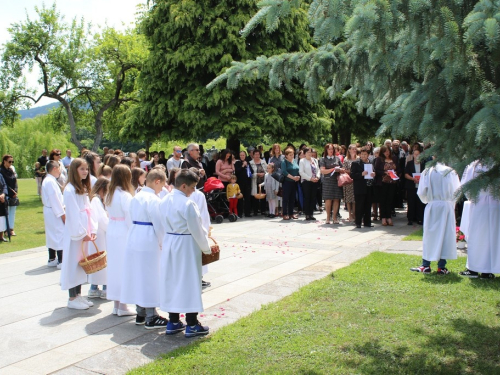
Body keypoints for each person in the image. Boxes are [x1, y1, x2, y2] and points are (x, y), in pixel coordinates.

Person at [159, 169, 212, 337]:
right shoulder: (188, 204)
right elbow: (196, 228)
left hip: (170, 241)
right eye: (192, 187)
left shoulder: (164, 200)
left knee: (172, 280)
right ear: (183, 185)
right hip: (186, 244)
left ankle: (173, 320)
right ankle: (192, 323)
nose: (193, 191)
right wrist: (206, 247)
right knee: (189, 281)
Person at [120, 168, 169, 328]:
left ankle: (140, 312)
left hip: (134, 236)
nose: (162, 189)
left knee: (139, 275)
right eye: (162, 185)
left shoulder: (136, 196)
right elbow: (159, 223)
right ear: (157, 181)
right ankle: (151, 316)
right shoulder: (153, 199)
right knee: (150, 276)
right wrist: (163, 241)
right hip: (148, 238)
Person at [410, 163, 460, 274]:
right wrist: (451, 203)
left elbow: (422, 192)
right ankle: (441, 266)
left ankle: (426, 264)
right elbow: (457, 191)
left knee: (430, 234)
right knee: (445, 235)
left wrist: (429, 200)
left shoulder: (428, 171)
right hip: (446, 205)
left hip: (433, 205)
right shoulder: (451, 171)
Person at [60, 158, 97, 310]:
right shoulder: (69, 190)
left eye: (87, 169)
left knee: (82, 263)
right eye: (82, 169)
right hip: (76, 232)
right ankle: (72, 296)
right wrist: (82, 232)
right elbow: (73, 215)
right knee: (73, 263)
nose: (85, 172)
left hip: (84, 229)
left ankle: (78, 294)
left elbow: (89, 209)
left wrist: (92, 229)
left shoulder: (81, 188)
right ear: (74, 170)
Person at [459, 160, 500, 278]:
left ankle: (474, 268)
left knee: (477, 237)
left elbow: (466, 186)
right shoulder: (496, 163)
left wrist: (473, 198)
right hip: (495, 203)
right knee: (492, 238)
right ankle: (488, 270)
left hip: (479, 203)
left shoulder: (474, 165)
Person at [105, 164, 135, 316]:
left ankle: (117, 304)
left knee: (115, 267)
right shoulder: (125, 196)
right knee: (124, 267)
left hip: (112, 230)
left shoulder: (110, 194)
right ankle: (122, 305)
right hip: (123, 230)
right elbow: (130, 218)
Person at [188, 167, 212, 289]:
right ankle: (199, 277)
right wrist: (205, 229)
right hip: (197, 228)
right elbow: (203, 214)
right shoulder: (198, 195)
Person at [88, 177, 110, 299]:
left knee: (98, 263)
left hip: (98, 233)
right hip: (100, 234)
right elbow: (102, 219)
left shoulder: (95, 199)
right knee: (102, 262)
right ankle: (105, 288)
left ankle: (94, 287)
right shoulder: (96, 201)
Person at [42, 161, 65, 268]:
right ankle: (61, 260)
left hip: (50, 210)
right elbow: (55, 200)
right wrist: (63, 215)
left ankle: (52, 258)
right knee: (59, 234)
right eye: (59, 168)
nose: (60, 171)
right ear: (55, 168)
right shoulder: (50, 181)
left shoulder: (49, 180)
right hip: (54, 210)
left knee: (52, 234)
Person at [351, 147, 376, 228]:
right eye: (362, 154)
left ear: (368, 155)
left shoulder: (371, 162)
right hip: (360, 187)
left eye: (365, 154)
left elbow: (374, 171)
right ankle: (358, 222)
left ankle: (367, 222)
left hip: (369, 186)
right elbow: (352, 175)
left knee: (368, 205)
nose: (363, 156)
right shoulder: (356, 163)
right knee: (359, 205)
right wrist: (361, 174)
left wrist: (373, 174)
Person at [319, 144, 344, 224]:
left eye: (332, 149)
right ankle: (328, 217)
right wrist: (333, 169)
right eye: (329, 149)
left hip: (336, 180)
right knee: (328, 199)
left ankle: (334, 217)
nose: (331, 150)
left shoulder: (337, 158)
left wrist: (339, 169)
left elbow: (342, 168)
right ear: (326, 150)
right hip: (327, 181)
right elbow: (323, 171)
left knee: (337, 199)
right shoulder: (323, 159)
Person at [374, 145, 399, 226]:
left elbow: (398, 168)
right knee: (383, 200)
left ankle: (389, 217)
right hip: (382, 183)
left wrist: (395, 173)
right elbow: (376, 170)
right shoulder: (379, 159)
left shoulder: (394, 158)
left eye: (388, 151)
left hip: (392, 182)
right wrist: (385, 172)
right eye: (385, 151)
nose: (387, 153)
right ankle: (383, 218)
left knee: (390, 200)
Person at [404, 144, 426, 225]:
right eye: (415, 154)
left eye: (418, 154)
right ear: (413, 155)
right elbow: (406, 174)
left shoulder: (423, 164)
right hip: (411, 185)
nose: (417, 156)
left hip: (420, 185)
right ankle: (410, 219)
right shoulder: (409, 163)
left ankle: (420, 218)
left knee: (420, 202)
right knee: (411, 202)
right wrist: (412, 179)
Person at [299, 147, 320, 221]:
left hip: (315, 181)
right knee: (307, 197)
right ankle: (307, 214)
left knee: (313, 197)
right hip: (306, 181)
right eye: (308, 152)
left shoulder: (314, 160)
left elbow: (318, 170)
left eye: (311, 152)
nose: (310, 153)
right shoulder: (302, 161)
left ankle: (311, 213)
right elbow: (301, 172)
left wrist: (317, 176)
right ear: (304, 153)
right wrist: (310, 178)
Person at [0, 155, 19, 237]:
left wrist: (16, 191)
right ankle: (6, 230)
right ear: (4, 161)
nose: (11, 163)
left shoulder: (11, 170)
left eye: (12, 162)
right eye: (9, 161)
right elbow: (4, 184)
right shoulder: (1, 171)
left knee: (12, 212)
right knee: (6, 212)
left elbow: (15, 181)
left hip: (13, 194)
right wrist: (11, 192)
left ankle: (11, 228)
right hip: (6, 194)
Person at [281, 148, 300, 220]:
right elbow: (284, 172)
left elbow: (297, 169)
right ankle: (285, 214)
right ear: (286, 155)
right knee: (286, 198)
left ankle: (291, 213)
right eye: (290, 155)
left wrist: (298, 176)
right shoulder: (284, 162)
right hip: (287, 182)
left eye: (293, 154)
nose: (292, 156)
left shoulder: (294, 161)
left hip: (294, 182)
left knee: (292, 198)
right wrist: (293, 177)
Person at [234, 151, 252, 218]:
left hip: (247, 183)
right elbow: (237, 171)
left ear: (245, 156)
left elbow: (251, 172)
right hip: (240, 183)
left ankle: (247, 212)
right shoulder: (237, 163)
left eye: (243, 155)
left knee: (247, 198)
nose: (242, 156)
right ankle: (240, 213)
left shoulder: (248, 163)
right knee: (240, 198)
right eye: (241, 155)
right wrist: (242, 166)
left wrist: (247, 166)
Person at [343, 144, 358, 222]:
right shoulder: (346, 159)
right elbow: (344, 170)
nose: (354, 150)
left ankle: (354, 214)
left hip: (357, 181)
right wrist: (351, 172)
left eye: (355, 149)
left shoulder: (358, 158)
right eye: (353, 149)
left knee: (355, 199)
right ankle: (349, 214)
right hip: (349, 181)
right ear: (349, 150)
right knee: (349, 199)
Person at [250, 150, 268, 216]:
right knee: (255, 196)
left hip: (263, 181)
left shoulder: (263, 162)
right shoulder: (250, 163)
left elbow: (267, 170)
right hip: (255, 181)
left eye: (258, 154)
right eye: (256, 154)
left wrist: (264, 173)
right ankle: (255, 210)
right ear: (253, 155)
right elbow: (250, 173)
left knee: (263, 196)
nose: (257, 156)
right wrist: (257, 174)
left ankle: (263, 210)